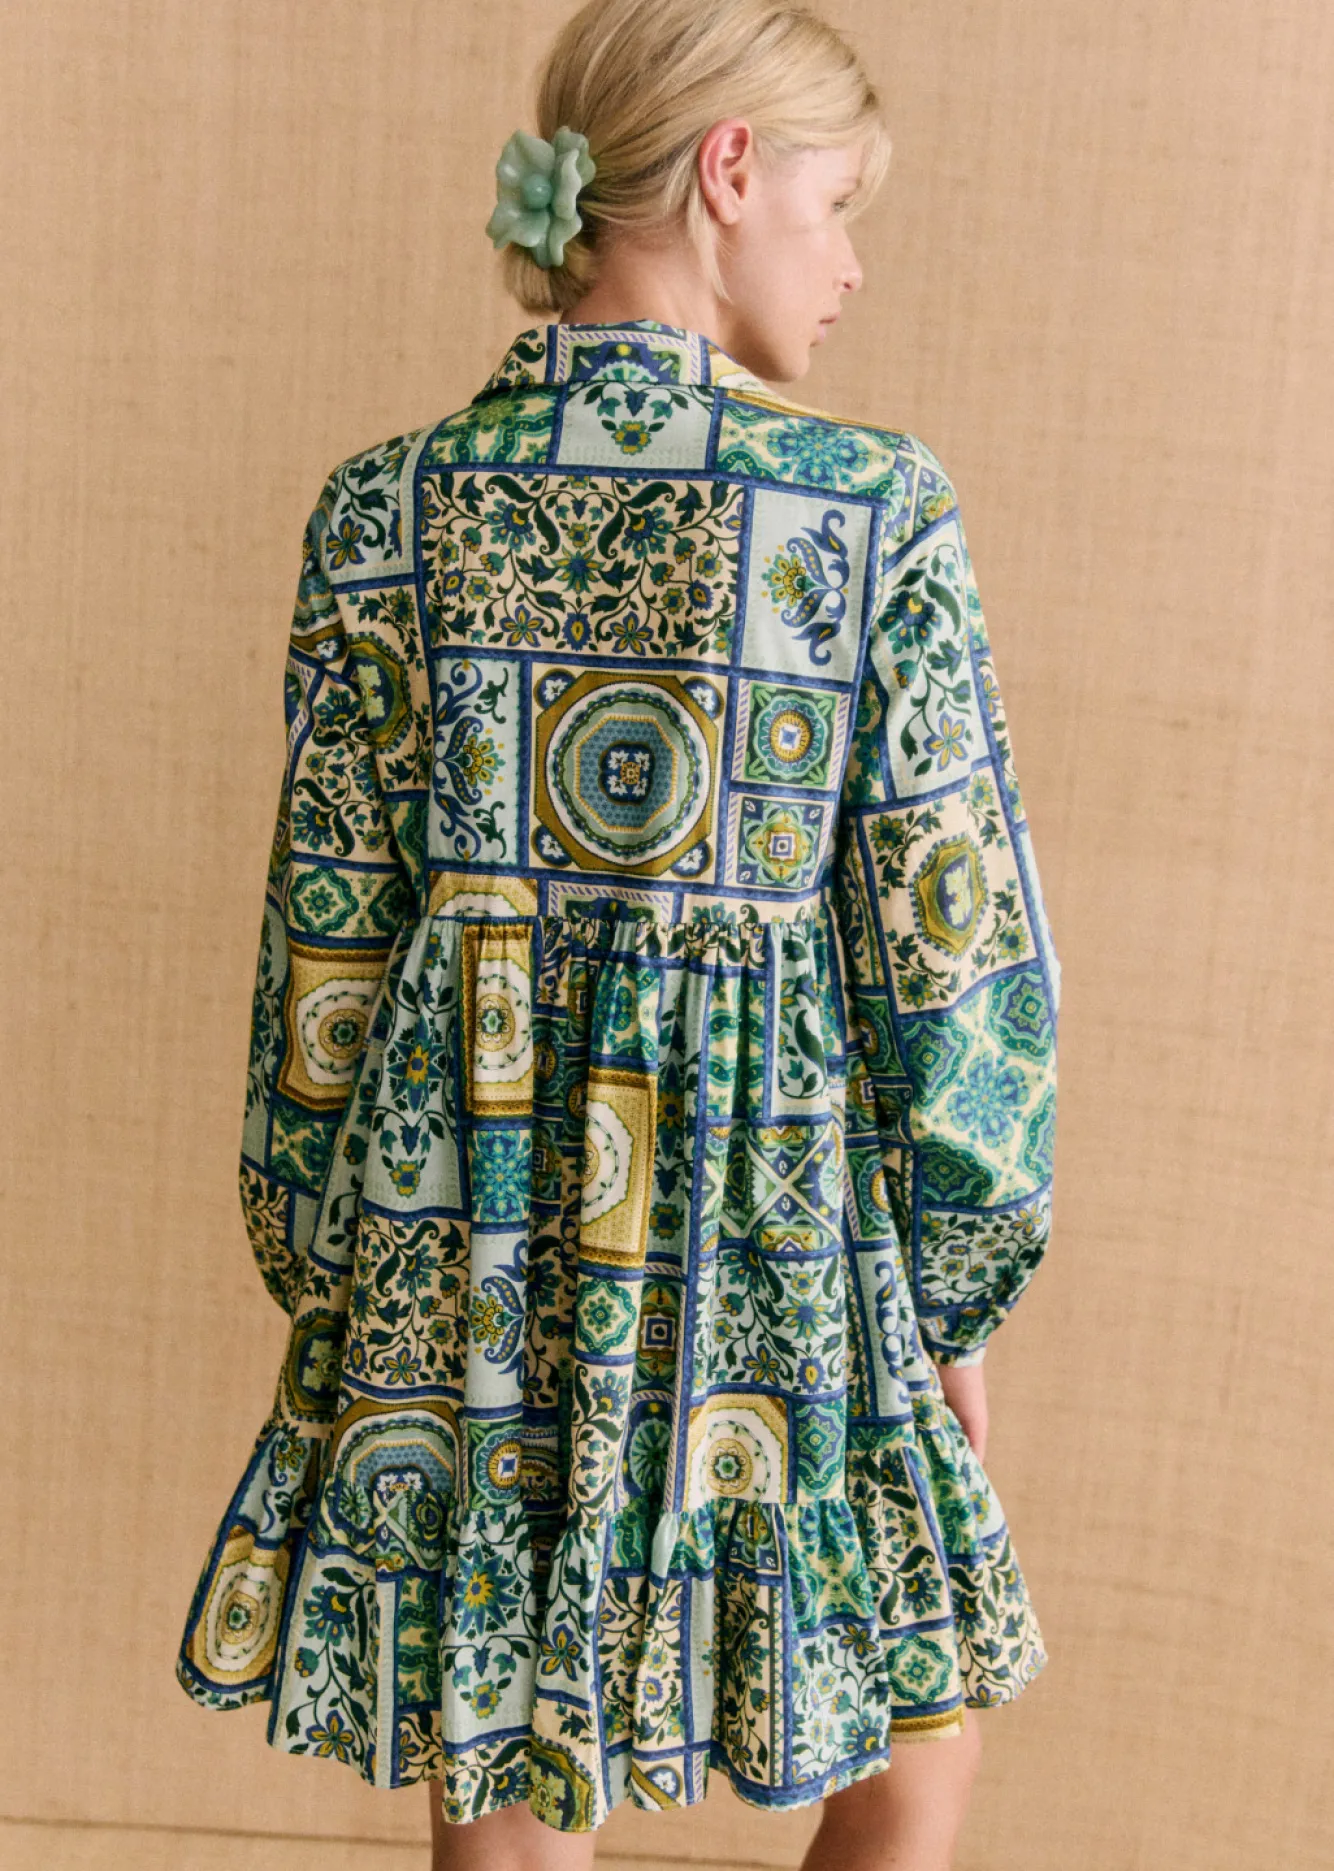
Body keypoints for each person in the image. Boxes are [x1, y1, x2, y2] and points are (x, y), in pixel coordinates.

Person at [173, 3, 1061, 1868]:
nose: (849, 263)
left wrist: (329, 1255)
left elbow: (321, 945)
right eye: (834, 203)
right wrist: (956, 1274)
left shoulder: (386, 509)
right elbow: (950, 951)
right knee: (917, 1726)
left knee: (505, 1743)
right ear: (728, 171)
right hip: (771, 1214)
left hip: (462, 1210)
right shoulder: (869, 512)